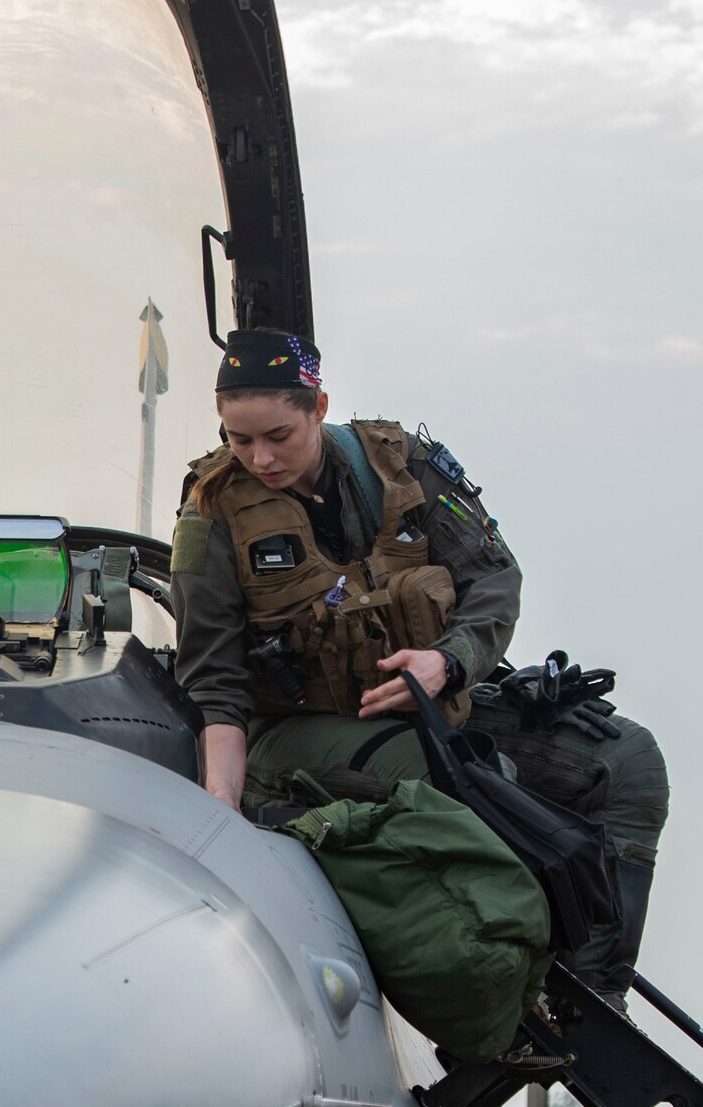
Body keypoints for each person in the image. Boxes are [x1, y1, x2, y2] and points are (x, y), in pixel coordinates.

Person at [168, 328, 667, 1007]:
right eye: (238, 438)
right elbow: (215, 681)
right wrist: (220, 807)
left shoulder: (405, 469)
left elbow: (495, 579)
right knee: (475, 782)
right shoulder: (211, 510)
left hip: (433, 702)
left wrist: (447, 662)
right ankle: (506, 990)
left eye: (278, 435)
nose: (259, 458)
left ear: (318, 407)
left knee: (628, 761)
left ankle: (592, 996)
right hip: (293, 728)